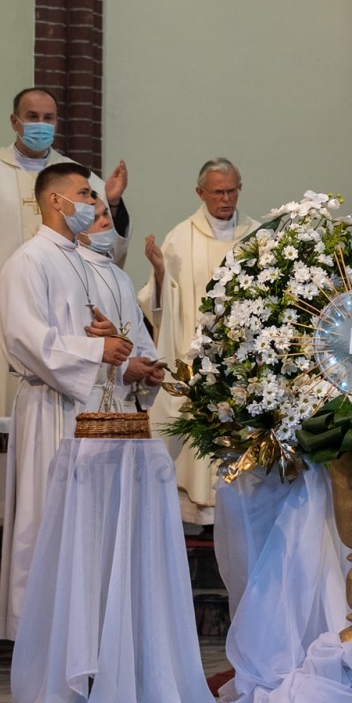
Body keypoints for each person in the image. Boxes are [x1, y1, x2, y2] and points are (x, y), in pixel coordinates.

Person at [0, 163, 159, 641]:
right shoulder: (30, 261)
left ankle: (90, 634)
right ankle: (45, 637)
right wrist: (98, 352)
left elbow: (104, 334)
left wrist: (125, 357)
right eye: (85, 195)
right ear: (55, 201)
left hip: (90, 409)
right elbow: (26, 341)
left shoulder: (77, 261)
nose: (92, 204)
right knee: (52, 522)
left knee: (91, 530)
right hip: (52, 409)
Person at [0, 87, 131, 417]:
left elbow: (106, 248)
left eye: (48, 118)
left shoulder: (78, 177)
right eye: (32, 117)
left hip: (67, 316)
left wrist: (112, 203)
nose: (40, 125)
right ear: (15, 121)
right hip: (9, 316)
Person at [140, 158, 259, 524]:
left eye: (232, 190)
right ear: (200, 193)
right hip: (201, 362)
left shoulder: (257, 236)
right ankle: (201, 518)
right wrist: (160, 273)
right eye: (218, 191)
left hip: (245, 363)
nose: (226, 198)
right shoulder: (180, 237)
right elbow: (161, 306)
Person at [79, 195, 163, 413]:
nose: (105, 222)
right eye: (94, 218)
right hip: (90, 407)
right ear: (76, 226)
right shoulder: (75, 273)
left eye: (105, 213)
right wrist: (123, 368)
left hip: (124, 406)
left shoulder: (120, 276)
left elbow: (138, 333)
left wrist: (150, 370)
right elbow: (80, 341)